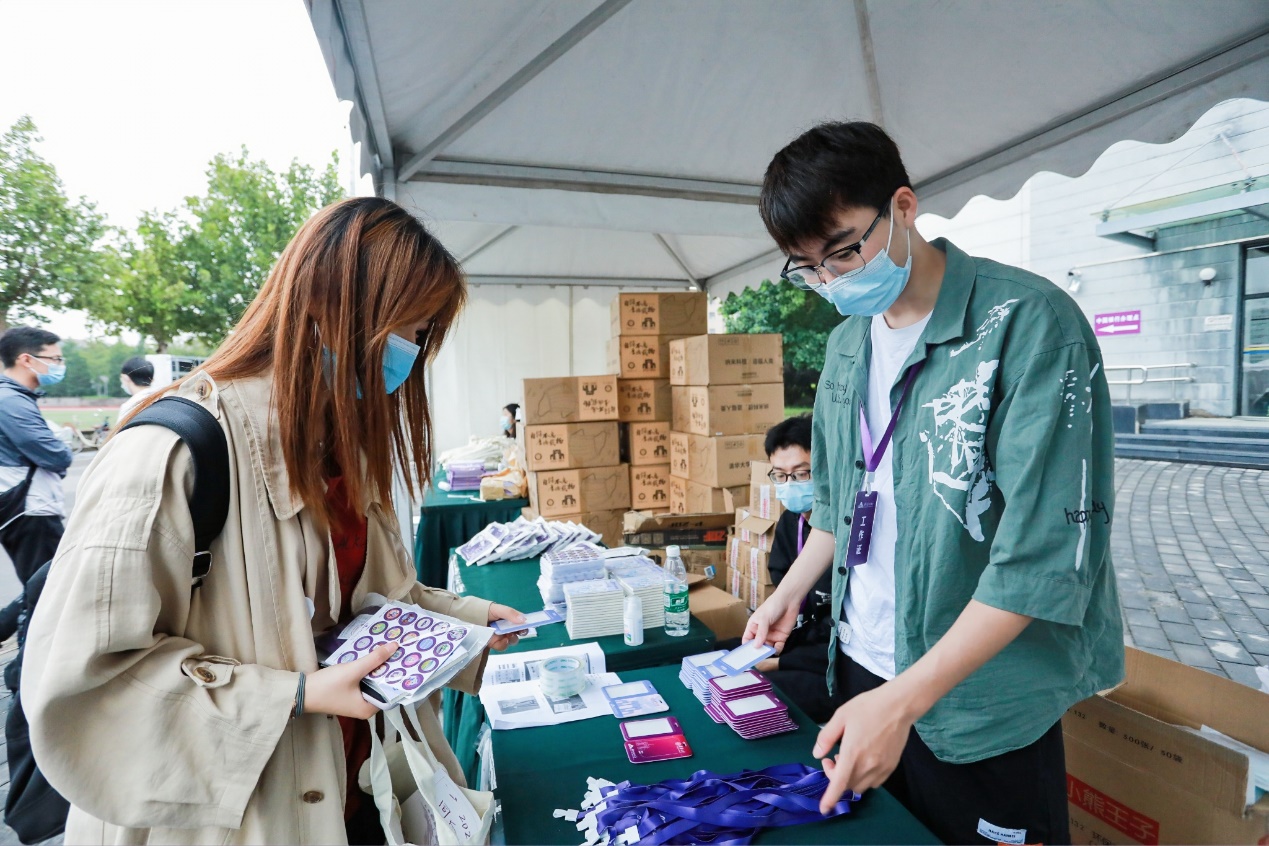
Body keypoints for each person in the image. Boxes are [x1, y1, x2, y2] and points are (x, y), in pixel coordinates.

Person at [22, 197, 529, 845]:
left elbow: (361, 604)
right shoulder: (171, 454)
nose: (409, 353)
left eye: (422, 332)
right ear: (325, 305)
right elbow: (86, 685)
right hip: (240, 820)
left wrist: (462, 622)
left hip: (356, 791)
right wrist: (294, 695)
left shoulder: (342, 447)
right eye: (405, 327)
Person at [745, 122, 1123, 845]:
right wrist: (788, 592)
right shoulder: (847, 344)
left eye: (844, 251)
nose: (831, 281)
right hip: (862, 667)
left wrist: (903, 701)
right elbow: (839, 504)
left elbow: (1042, 559)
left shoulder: (1028, 324)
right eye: (807, 268)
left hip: (978, 694)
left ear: (903, 206)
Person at [717, 414, 839, 722]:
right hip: (795, 640)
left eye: (801, 474)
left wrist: (780, 663)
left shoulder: (847, 532)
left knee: (753, 693)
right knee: (715, 656)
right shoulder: (790, 522)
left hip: (832, 665)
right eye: (780, 476)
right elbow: (784, 589)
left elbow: (846, 639)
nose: (790, 485)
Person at [0, 326, 74, 643]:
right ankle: (23, 669)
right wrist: (62, 446)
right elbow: (56, 455)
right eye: (54, 359)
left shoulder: (15, 398)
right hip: (31, 511)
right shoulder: (11, 402)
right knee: (50, 590)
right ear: (26, 359)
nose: (59, 365)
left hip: (28, 508)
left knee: (45, 582)